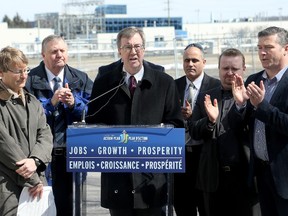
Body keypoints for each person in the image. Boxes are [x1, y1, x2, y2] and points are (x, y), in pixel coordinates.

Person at [85, 26, 183, 216]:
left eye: (138, 46)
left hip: (152, 181)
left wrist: (151, 140)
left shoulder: (164, 82)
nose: (133, 52)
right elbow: (93, 124)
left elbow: (176, 126)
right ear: (119, 51)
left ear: (144, 49)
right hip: (117, 179)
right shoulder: (105, 83)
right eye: (127, 47)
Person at [25, 35, 93, 216]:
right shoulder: (29, 80)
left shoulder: (81, 78)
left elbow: (95, 111)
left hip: (72, 156)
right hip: (41, 158)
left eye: (62, 51)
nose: (59, 55)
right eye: (54, 51)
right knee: (41, 208)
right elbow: (26, 116)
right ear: (43, 55)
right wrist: (51, 102)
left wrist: (74, 104)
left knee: (70, 208)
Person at [189, 48, 255, 216]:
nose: (230, 73)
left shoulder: (252, 96)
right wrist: (210, 121)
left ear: (244, 69)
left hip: (244, 177)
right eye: (225, 68)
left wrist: (241, 105)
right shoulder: (206, 97)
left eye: (235, 69)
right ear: (218, 69)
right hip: (212, 178)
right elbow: (194, 131)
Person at [231, 26, 288, 216]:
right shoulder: (254, 81)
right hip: (261, 175)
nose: (262, 53)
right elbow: (240, 126)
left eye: (269, 47)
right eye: (259, 47)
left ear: (286, 49)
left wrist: (262, 106)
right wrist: (239, 105)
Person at [0, 46, 53, 215]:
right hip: (8, 184)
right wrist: (33, 179)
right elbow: (5, 145)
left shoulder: (33, 101)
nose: (24, 76)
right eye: (18, 71)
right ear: (1, 72)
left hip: (36, 180)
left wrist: (35, 160)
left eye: (26, 70)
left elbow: (45, 134)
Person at [174, 43, 220, 216]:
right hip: (180, 157)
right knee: (183, 207)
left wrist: (192, 117)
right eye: (187, 60)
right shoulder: (174, 85)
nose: (190, 64)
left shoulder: (216, 86)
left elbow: (216, 121)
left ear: (204, 61)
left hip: (205, 157)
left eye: (195, 60)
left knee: (207, 207)